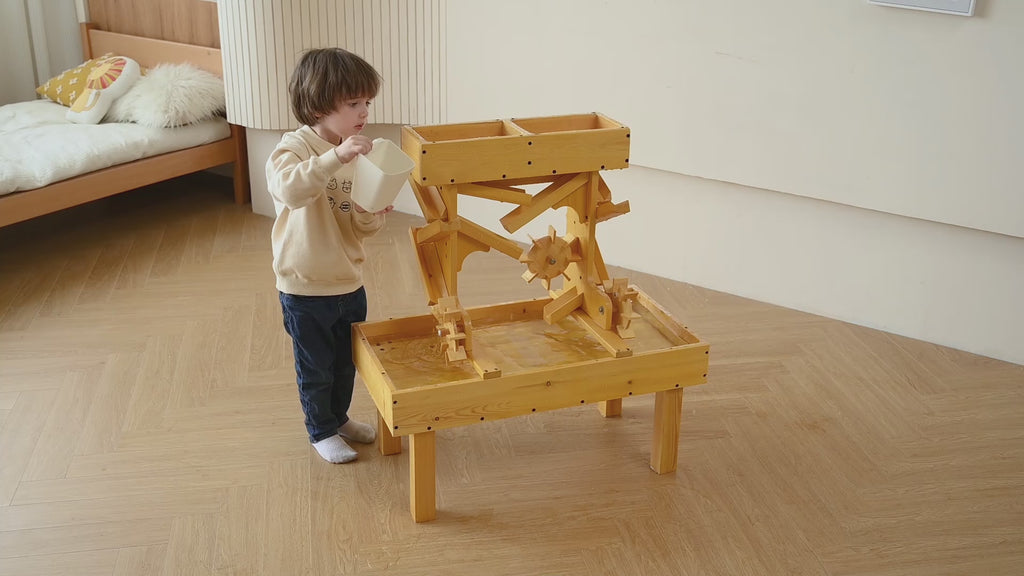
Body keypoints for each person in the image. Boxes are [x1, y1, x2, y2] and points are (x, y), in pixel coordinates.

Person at [266, 47, 393, 463]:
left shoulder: (357, 156)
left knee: (345, 364)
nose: (365, 111)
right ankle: (319, 430)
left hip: (348, 280)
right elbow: (290, 190)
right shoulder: (293, 149)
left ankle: (337, 419)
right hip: (305, 286)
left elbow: (359, 227)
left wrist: (368, 212)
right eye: (354, 102)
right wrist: (335, 156)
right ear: (320, 103)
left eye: (367, 102)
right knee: (316, 367)